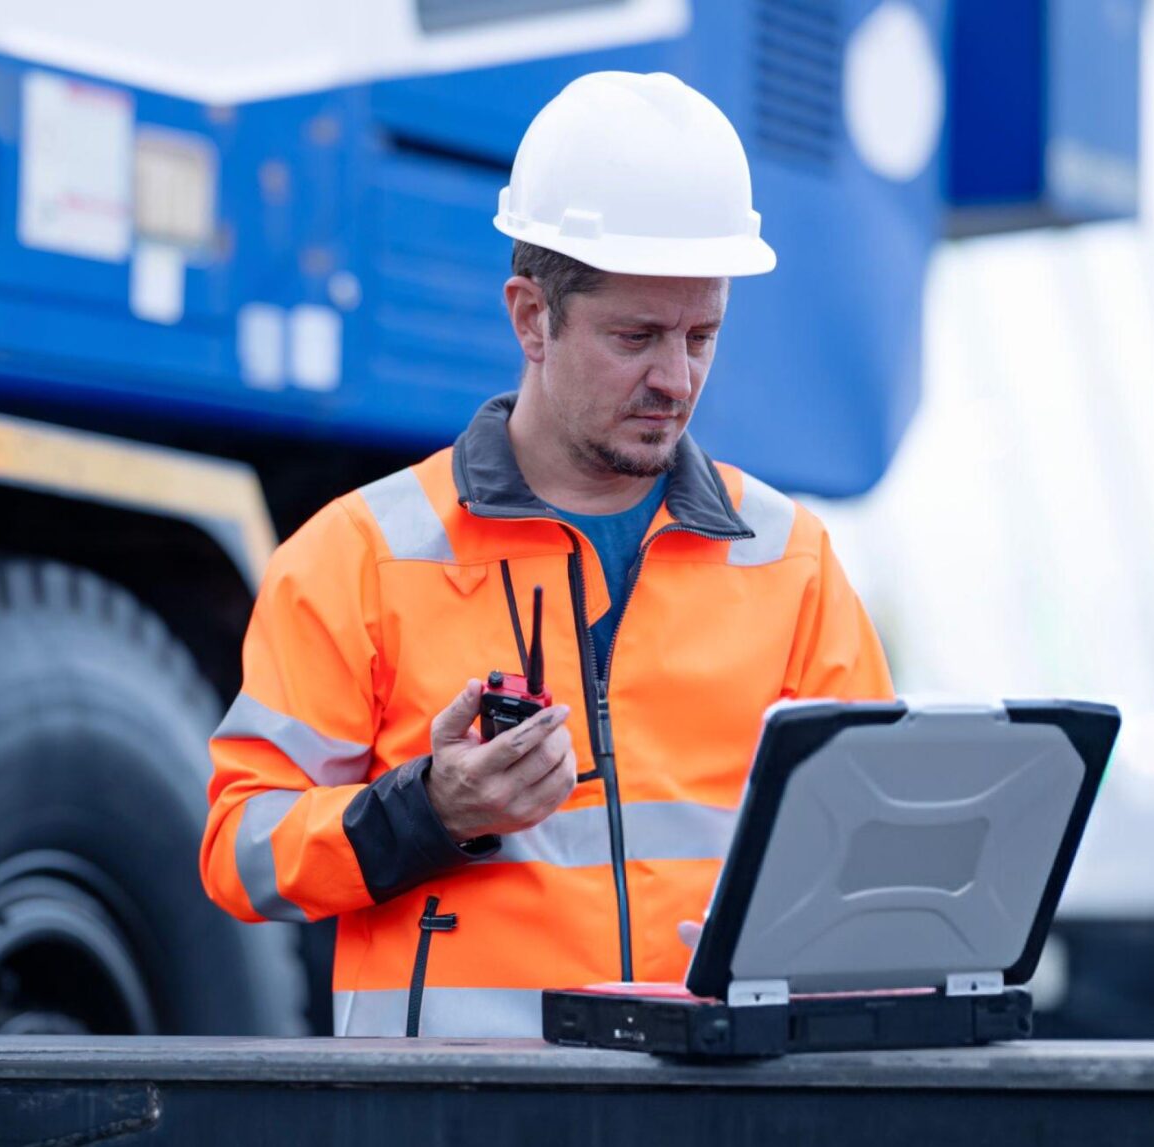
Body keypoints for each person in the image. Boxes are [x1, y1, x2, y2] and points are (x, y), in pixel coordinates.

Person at [199, 71, 893, 1037]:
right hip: (451, 1117)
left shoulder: (791, 561)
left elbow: (867, 847)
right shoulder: (357, 556)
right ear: (531, 315)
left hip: (711, 1106)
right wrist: (429, 808)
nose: (675, 377)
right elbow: (240, 850)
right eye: (636, 336)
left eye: (703, 335)